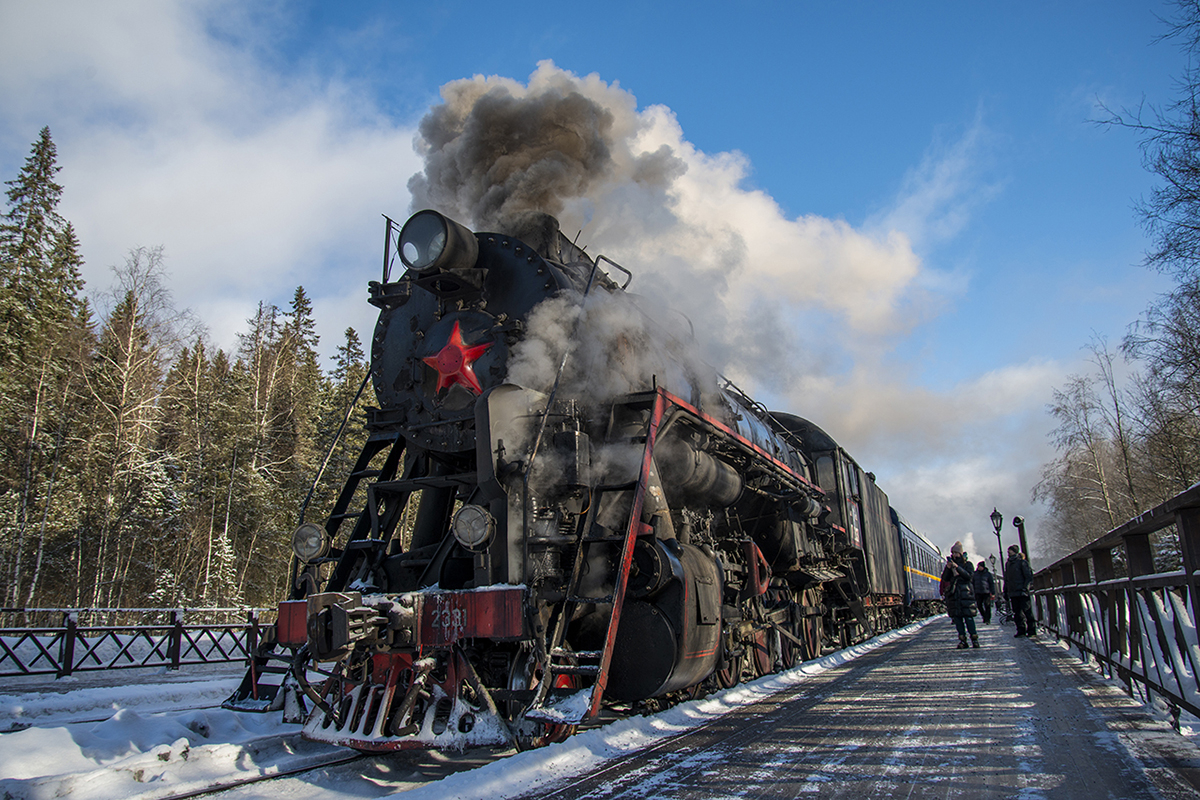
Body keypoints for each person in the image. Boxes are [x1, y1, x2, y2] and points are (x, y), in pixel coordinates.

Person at [941, 541, 979, 649]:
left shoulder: (968, 565)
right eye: (952, 553)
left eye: (956, 553)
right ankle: (962, 640)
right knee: (958, 620)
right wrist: (948, 568)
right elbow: (945, 578)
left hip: (966, 594)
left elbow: (969, 576)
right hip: (955, 595)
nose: (954, 555)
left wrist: (957, 567)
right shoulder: (950, 565)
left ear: (960, 553)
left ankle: (974, 639)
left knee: (969, 619)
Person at [1004, 544, 1037, 638]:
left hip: (1021, 591)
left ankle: (1031, 630)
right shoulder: (1008, 564)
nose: (1009, 553)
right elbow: (1007, 579)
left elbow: (1028, 576)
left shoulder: (1022, 562)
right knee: (1017, 613)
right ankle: (1021, 630)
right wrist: (1006, 591)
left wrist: (1025, 588)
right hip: (1013, 591)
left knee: (1027, 611)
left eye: (1010, 551)